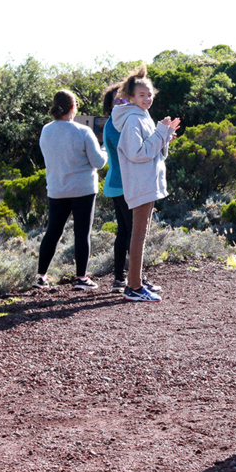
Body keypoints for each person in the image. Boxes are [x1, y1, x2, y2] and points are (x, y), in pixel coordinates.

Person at [112, 66, 180, 301]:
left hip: (147, 183)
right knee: (138, 235)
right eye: (142, 95)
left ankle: (136, 284)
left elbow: (158, 153)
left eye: (150, 95)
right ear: (131, 97)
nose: (147, 99)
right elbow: (138, 153)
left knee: (140, 234)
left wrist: (165, 136)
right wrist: (160, 133)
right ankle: (134, 287)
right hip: (141, 184)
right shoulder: (133, 120)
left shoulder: (143, 117)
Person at [34, 90, 108, 290]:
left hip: (57, 188)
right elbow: (98, 163)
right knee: (82, 233)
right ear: (73, 107)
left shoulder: (46, 130)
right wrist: (104, 149)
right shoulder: (83, 132)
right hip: (83, 189)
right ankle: (81, 278)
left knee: (52, 232)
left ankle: (41, 276)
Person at [101, 84, 162, 295]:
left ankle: (121, 278)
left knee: (125, 232)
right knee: (133, 233)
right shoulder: (122, 124)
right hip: (125, 183)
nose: (122, 104)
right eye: (118, 101)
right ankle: (134, 279)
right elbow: (136, 150)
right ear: (110, 105)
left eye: (123, 100)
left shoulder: (113, 123)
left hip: (116, 182)